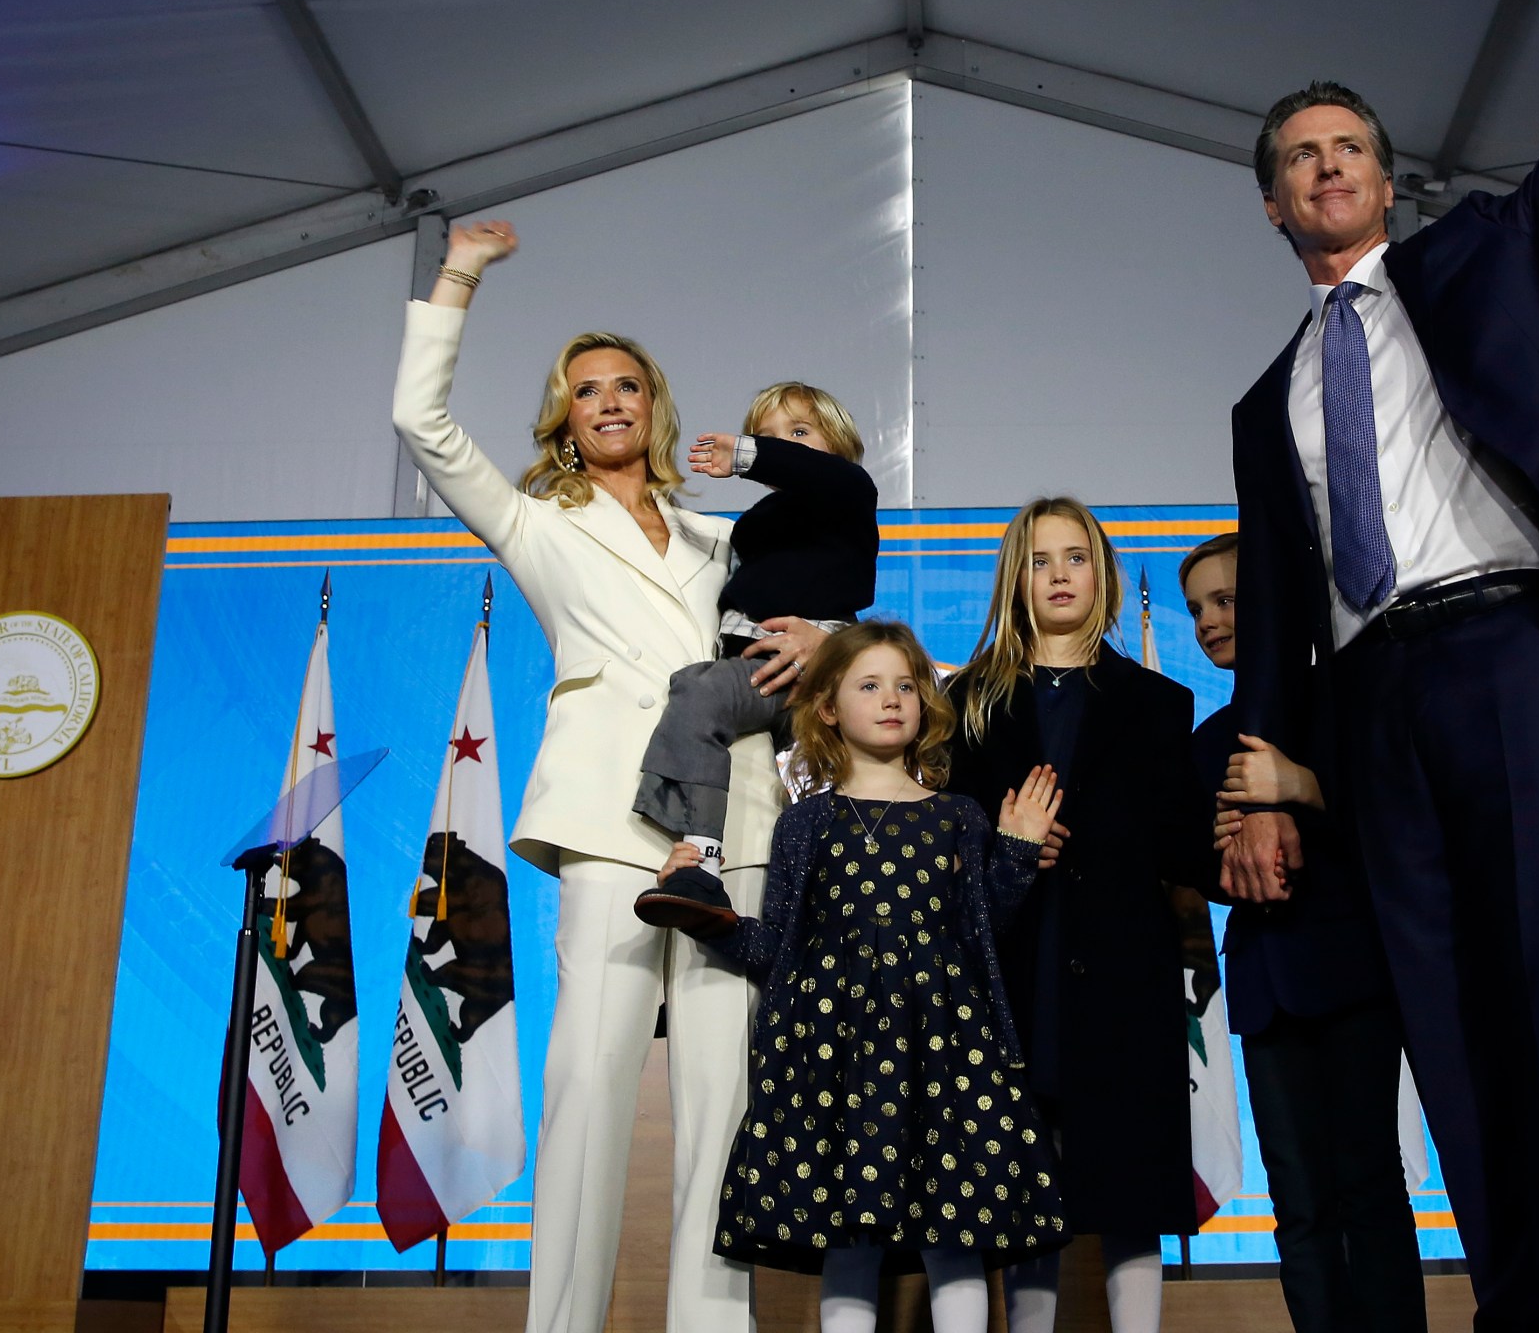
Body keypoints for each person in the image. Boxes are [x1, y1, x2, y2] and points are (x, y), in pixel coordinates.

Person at [1223, 0, 1539, 1329]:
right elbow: (1274, 609)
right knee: (1447, 1022)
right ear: (1273, 203)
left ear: (1386, 180)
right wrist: (1262, 782)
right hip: (1373, 707)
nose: (1329, 166)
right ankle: (1521, 1303)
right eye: (1301, 156)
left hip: (1512, 653)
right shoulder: (1267, 400)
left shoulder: (1489, 252)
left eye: (1350, 147)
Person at [390, 218, 828, 1333]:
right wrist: (458, 276)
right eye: (587, 390)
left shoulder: (716, 536)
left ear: (655, 406)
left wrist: (824, 639)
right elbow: (422, 424)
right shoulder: (539, 523)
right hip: (606, 825)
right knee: (587, 1087)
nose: (610, 401)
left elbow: (804, 611)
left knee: (723, 1102)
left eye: (627, 384)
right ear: (565, 418)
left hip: (734, 828)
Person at [657, 620, 1070, 1333]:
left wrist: (1016, 850)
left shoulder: (960, 817)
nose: (892, 699)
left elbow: (983, 931)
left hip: (946, 1058)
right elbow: (778, 947)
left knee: (956, 1235)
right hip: (833, 1062)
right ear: (825, 708)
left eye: (906, 685)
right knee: (846, 1238)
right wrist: (707, 914)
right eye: (869, 685)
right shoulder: (806, 825)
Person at [943, 498, 1213, 1333]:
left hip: (1125, 977)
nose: (1059, 574)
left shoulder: (1162, 704)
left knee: (1132, 1186)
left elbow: (1181, 853)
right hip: (1011, 969)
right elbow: (943, 846)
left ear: (1101, 573)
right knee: (1024, 1187)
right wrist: (1006, 848)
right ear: (1014, 577)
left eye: (1075, 557)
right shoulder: (964, 703)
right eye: (1039, 559)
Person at [1179, 534, 1423, 1333]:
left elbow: (1404, 826)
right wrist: (1217, 857)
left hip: (1353, 972)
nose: (1210, 621)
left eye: (1226, 600)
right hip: (1266, 985)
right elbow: (1192, 868)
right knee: (1299, 1203)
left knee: (1367, 1185)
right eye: (1196, 610)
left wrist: (1304, 788)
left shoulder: (1349, 700)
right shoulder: (1206, 740)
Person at [633, 382, 880, 932]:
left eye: (798, 432)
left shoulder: (850, 491)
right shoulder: (753, 526)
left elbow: (819, 474)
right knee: (701, 697)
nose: (783, 446)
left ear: (837, 442)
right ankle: (701, 856)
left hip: (821, 676)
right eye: (767, 435)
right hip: (759, 677)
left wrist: (748, 453)